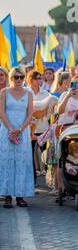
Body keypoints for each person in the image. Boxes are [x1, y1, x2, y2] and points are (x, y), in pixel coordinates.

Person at [0, 67, 35, 208]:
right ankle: (7, 196)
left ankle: (20, 196)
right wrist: (10, 128)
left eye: (21, 77)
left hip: (23, 132)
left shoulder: (29, 93)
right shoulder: (4, 92)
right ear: (11, 78)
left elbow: (30, 113)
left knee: (22, 162)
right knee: (6, 161)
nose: (19, 80)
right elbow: (1, 112)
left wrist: (20, 129)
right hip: (6, 131)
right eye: (16, 77)